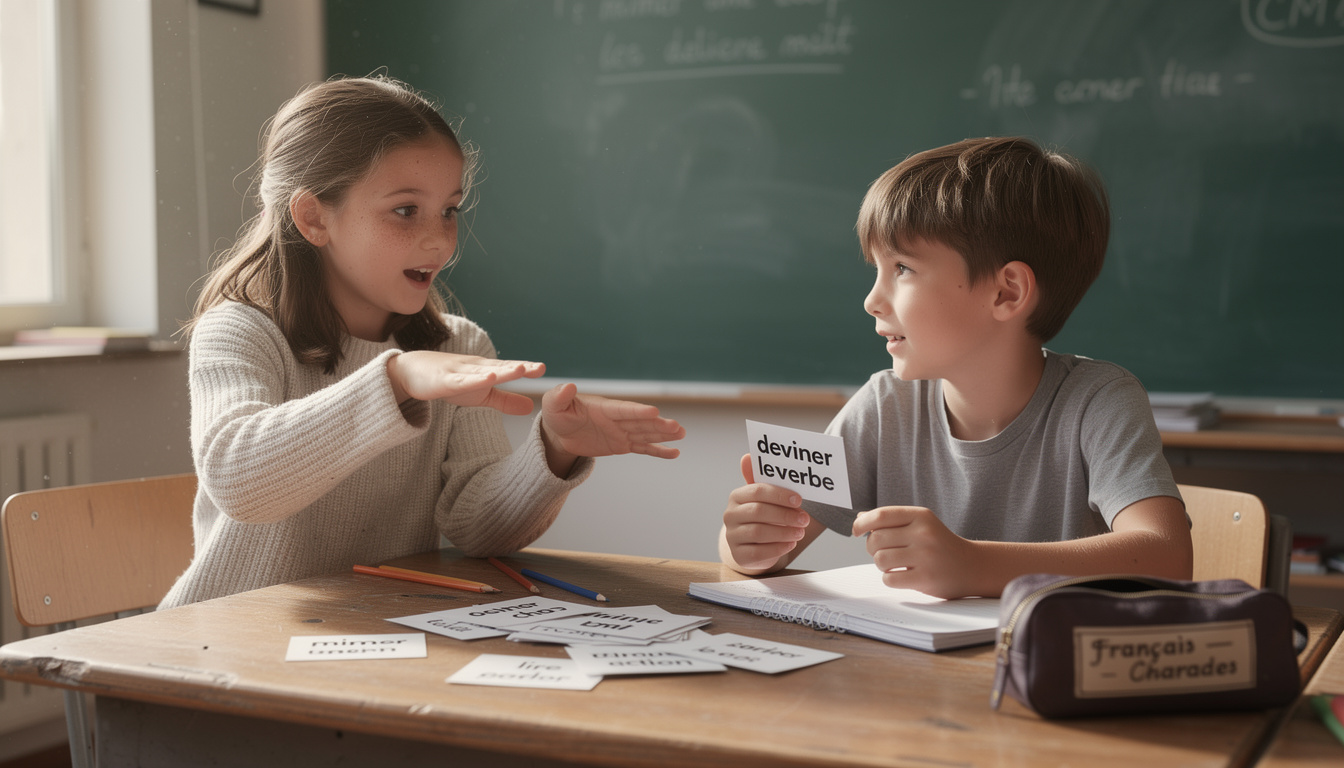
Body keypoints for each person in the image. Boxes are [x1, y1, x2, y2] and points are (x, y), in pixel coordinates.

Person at [160, 75, 685, 609]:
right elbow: (241, 483)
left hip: (369, 637)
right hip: (218, 644)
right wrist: (396, 380)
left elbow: (479, 530)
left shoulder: (460, 347)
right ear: (314, 217)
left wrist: (555, 448)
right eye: (405, 210)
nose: (440, 240)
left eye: (450, 210)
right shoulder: (239, 330)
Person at [719, 137, 1192, 599]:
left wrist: (975, 565)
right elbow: (761, 554)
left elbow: (1167, 556)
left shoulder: (1100, 401)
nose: (871, 300)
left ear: (1006, 292)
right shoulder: (884, 406)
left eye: (902, 268)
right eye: (877, 270)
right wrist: (749, 542)